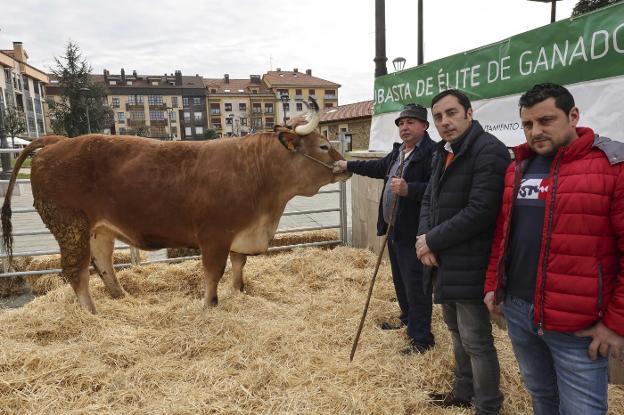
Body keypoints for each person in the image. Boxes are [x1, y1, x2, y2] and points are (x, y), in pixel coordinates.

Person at [484, 83, 624, 415]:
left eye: (546, 121)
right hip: (519, 311)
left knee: (582, 410)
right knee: (541, 397)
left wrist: (616, 323)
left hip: (579, 324)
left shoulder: (611, 167)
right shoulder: (517, 166)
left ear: (573, 115)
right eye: (528, 124)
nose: (536, 131)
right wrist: (493, 285)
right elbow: (504, 233)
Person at [416, 89, 509, 414]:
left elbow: (481, 210)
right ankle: (463, 391)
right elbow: (430, 198)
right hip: (445, 261)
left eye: (452, 113)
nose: (445, 122)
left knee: (476, 341)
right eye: (439, 116)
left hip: (472, 261)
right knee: (455, 332)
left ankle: (487, 405)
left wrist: (433, 241)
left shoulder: (489, 151)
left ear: (469, 113)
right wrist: (423, 238)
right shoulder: (443, 152)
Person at [333, 103, 435, 354]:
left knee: (416, 286)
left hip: (415, 232)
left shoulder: (432, 154)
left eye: (410, 122)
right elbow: (378, 168)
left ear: (424, 126)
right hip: (394, 230)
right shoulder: (399, 152)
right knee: (401, 280)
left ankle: (421, 340)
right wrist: (349, 166)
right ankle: (407, 319)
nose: (404, 127)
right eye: (401, 123)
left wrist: (410, 189)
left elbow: (437, 190)